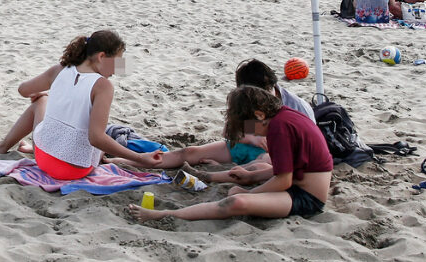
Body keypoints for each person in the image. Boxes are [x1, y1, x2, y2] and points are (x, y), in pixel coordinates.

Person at [129, 85, 332, 222]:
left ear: (259, 115)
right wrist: (252, 176)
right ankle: (211, 179)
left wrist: (249, 193)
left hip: (306, 198)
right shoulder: (283, 117)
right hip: (298, 183)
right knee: (252, 172)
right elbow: (287, 170)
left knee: (236, 202)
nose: (250, 133)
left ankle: (165, 214)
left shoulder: (279, 128)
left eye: (249, 127)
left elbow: (284, 181)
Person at [0, 30, 154, 176]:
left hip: (44, 159)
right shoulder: (103, 86)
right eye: (117, 62)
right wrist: (139, 158)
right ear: (102, 57)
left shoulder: (59, 70)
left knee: (42, 101)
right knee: (99, 133)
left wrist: (39, 92)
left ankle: (3, 146)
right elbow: (96, 139)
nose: (117, 70)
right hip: (74, 170)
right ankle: (19, 146)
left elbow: (23, 90)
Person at [142, 58, 314, 185]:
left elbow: (305, 151)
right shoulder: (245, 100)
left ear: (268, 88)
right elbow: (229, 132)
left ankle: (220, 171)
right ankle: (129, 160)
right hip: (244, 146)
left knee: (260, 164)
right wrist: (252, 137)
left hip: (273, 156)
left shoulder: (297, 108)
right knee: (190, 152)